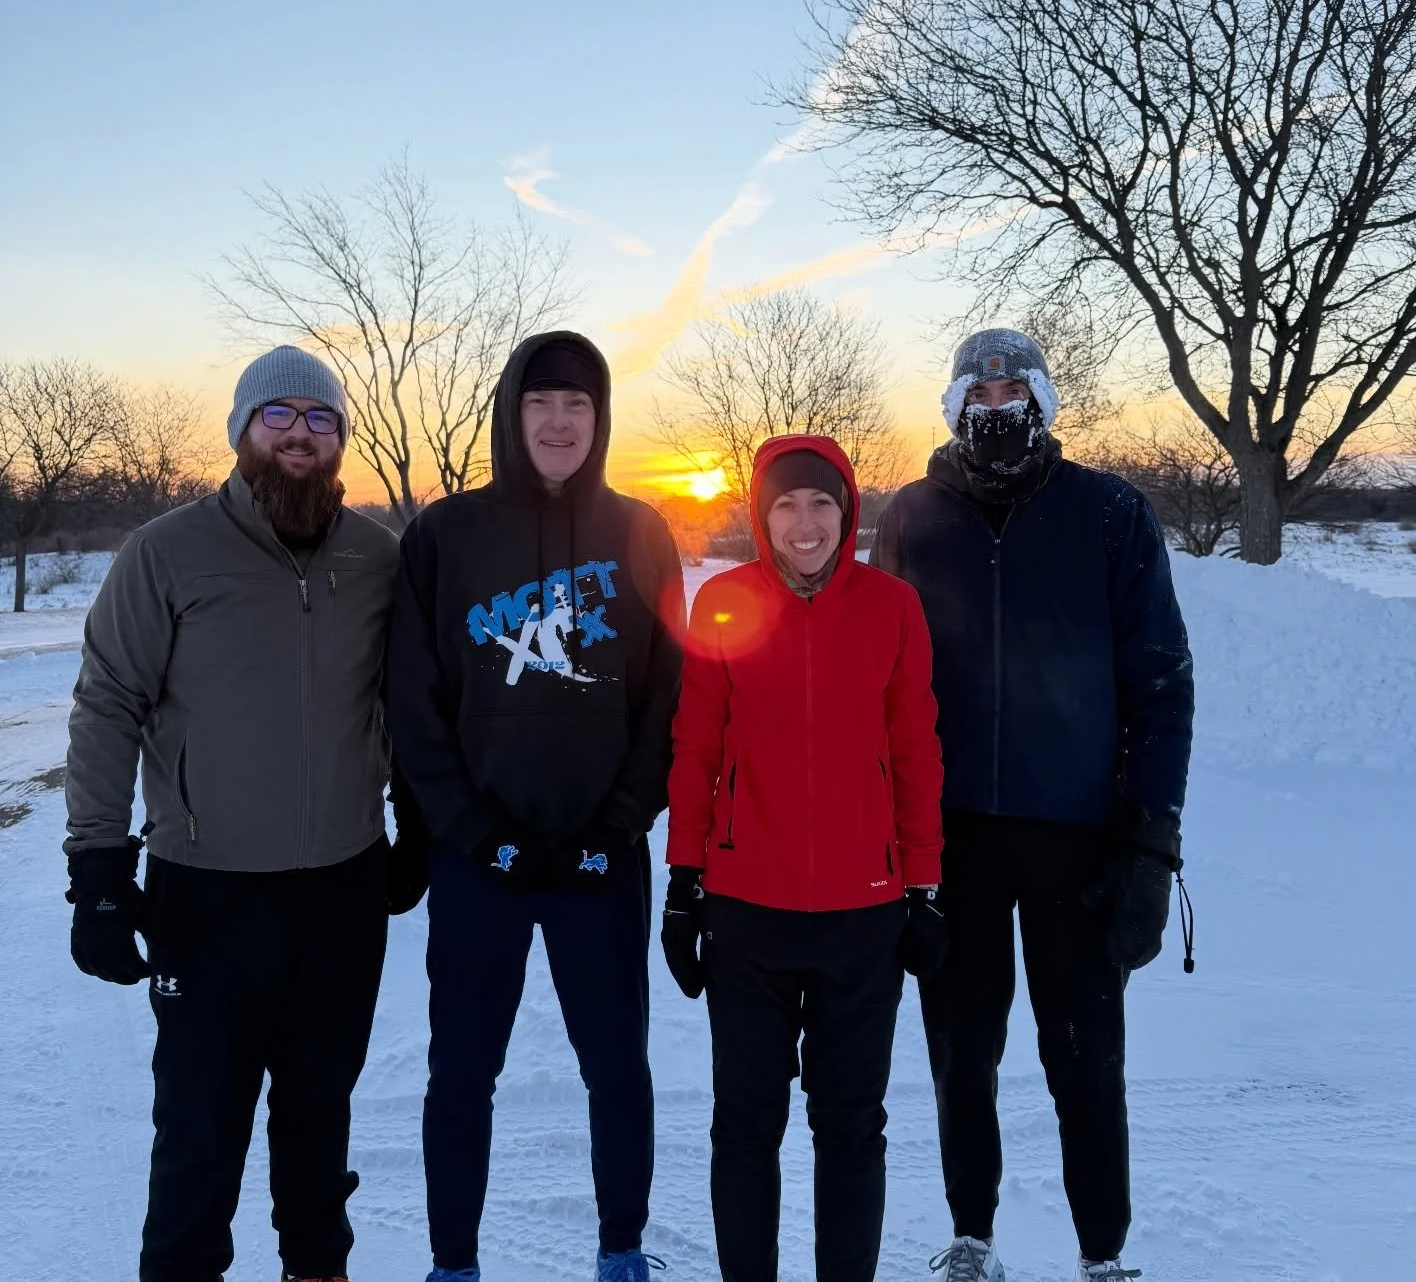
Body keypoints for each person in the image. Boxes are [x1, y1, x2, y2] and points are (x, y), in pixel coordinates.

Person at [64, 344, 427, 1282]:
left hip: (343, 892)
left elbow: (411, 703)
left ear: (341, 441)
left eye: (320, 420)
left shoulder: (377, 556)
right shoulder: (168, 552)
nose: (300, 435)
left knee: (319, 1121)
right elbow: (109, 701)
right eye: (280, 416)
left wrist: (412, 824)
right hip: (208, 893)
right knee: (198, 1132)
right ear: (242, 431)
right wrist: (98, 870)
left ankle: (319, 1268)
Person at [872, 329, 1195, 1282]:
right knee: (960, 1052)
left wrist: (1150, 842)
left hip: (1082, 842)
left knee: (1086, 1059)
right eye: (981, 388)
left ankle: (1103, 1255)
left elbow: (1162, 685)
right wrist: (890, 840)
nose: (998, 404)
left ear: (1045, 402)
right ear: (954, 403)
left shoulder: (1109, 512)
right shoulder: (911, 520)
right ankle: (973, 1237)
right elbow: (878, 685)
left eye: (1016, 389)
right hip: (951, 839)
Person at [386, 331, 685, 1282]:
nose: (560, 422)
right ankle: (454, 1264)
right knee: (462, 1072)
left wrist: (617, 828)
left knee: (617, 1069)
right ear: (512, 415)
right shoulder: (447, 533)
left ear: (600, 419)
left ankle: (622, 1251)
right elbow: (412, 702)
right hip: (480, 864)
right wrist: (472, 835)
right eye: (540, 403)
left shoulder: (641, 531)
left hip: (598, 862)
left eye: (579, 404)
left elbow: (668, 698)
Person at [662, 434, 946, 1282]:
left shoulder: (894, 607)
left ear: (848, 509)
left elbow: (918, 749)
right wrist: (683, 885)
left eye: (821, 502)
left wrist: (925, 887)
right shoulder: (721, 603)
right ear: (761, 513)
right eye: (785, 503)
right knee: (746, 1124)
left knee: (851, 1124)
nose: (804, 521)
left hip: (865, 915)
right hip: (749, 910)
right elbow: (695, 752)